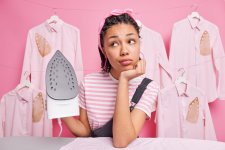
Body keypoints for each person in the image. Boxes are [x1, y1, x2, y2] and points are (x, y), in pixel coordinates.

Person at [62, 9, 159, 148]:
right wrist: (59, 109)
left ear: (139, 44)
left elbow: (121, 141)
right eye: (114, 44)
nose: (124, 51)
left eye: (131, 41)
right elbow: (85, 131)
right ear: (104, 50)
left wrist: (124, 80)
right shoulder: (88, 83)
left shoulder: (148, 87)